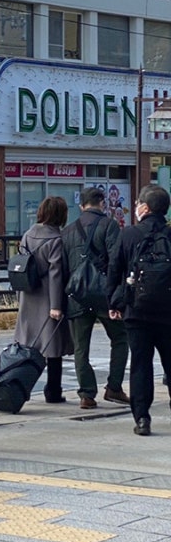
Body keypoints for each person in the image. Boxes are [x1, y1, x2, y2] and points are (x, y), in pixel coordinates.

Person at [109, 185, 171, 437]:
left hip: (137, 311)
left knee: (140, 365)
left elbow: (114, 269)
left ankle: (143, 418)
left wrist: (114, 303)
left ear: (144, 207)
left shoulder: (129, 235)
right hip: (168, 312)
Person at [61, 186, 129, 410]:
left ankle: (86, 394)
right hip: (104, 294)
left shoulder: (68, 230)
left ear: (81, 206)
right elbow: (117, 260)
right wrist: (119, 294)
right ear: (102, 204)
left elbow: (62, 268)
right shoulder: (109, 225)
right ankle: (114, 387)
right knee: (120, 339)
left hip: (77, 296)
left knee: (81, 347)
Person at [15, 196, 74, 402]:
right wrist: (56, 305)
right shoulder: (57, 239)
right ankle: (53, 391)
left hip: (28, 295)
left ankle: (18, 385)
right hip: (48, 298)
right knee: (52, 346)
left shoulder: (28, 235)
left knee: (27, 345)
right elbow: (56, 273)